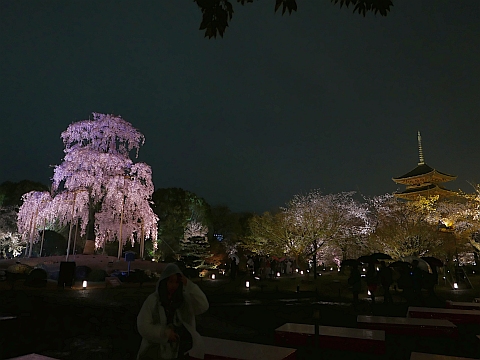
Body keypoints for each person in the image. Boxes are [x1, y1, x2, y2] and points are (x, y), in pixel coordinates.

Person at [136, 263, 209, 360]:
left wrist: (189, 285)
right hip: (155, 352)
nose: (173, 285)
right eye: (170, 282)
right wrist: (163, 333)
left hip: (181, 350)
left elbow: (203, 305)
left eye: (177, 282)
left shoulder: (184, 300)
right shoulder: (153, 300)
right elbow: (143, 325)